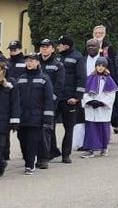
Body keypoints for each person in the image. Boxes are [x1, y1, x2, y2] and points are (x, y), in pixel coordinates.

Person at [15, 51, 56, 175]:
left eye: (32, 61)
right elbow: (16, 99)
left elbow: (48, 99)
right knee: (22, 140)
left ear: (38, 62)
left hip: (36, 117)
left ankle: (30, 164)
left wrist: (47, 118)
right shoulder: (21, 78)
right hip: (22, 117)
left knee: (32, 141)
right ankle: (27, 159)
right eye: (27, 61)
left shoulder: (44, 79)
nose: (29, 63)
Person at [56, 35, 86, 163]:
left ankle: (66, 154)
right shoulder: (57, 57)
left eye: (59, 44)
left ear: (66, 46)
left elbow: (82, 78)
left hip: (70, 99)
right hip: (57, 97)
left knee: (69, 128)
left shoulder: (77, 57)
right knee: (48, 126)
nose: (57, 47)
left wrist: (77, 97)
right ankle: (52, 151)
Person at [81, 57, 118, 157]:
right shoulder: (90, 78)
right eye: (98, 65)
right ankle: (90, 149)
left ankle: (104, 147)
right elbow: (85, 92)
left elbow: (111, 94)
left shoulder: (109, 79)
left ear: (106, 67)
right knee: (91, 128)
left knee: (103, 128)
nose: (100, 68)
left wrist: (102, 102)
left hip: (103, 109)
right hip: (91, 108)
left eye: (102, 66)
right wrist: (90, 101)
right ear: (96, 66)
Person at [37, 38, 64, 166]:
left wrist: (50, 100)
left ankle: (45, 156)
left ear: (52, 49)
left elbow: (59, 85)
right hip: (35, 101)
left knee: (46, 128)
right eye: (42, 46)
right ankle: (52, 150)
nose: (44, 49)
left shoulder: (57, 65)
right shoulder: (36, 62)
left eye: (47, 47)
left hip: (50, 102)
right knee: (41, 128)